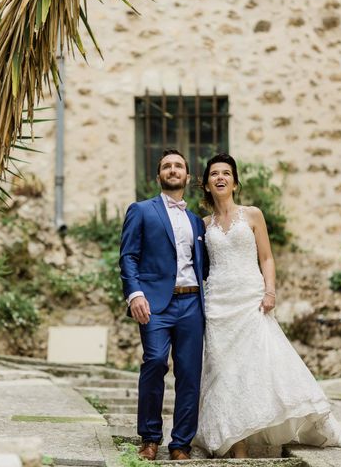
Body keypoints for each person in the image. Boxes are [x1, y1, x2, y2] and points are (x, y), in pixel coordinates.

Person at [193, 153, 341, 458]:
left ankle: (252, 434)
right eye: (214, 173)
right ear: (206, 184)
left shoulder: (253, 215)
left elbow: (267, 258)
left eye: (226, 173)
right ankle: (236, 442)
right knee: (223, 370)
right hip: (218, 301)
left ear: (235, 182)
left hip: (250, 298)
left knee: (254, 366)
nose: (220, 177)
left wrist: (270, 291)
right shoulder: (203, 224)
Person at [119, 149, 208, 461]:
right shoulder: (141, 210)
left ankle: (181, 443)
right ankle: (149, 437)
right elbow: (128, 256)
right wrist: (135, 295)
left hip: (192, 303)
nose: (173, 170)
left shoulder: (197, 222)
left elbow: (206, 266)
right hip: (155, 304)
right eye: (167, 166)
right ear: (159, 176)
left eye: (179, 166)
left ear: (187, 176)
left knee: (189, 373)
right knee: (155, 362)